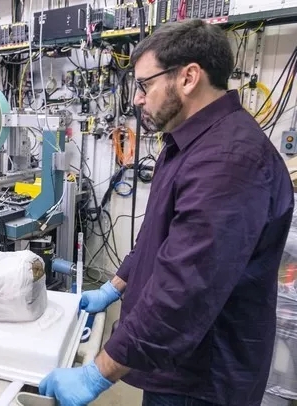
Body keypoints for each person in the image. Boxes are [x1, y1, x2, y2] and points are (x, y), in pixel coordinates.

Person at [39, 18, 295, 406]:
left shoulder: (229, 161)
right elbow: (158, 238)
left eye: (145, 85)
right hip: (176, 366)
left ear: (188, 77)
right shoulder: (187, 143)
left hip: (203, 380)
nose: (137, 99)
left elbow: (183, 291)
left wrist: (97, 374)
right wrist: (114, 286)